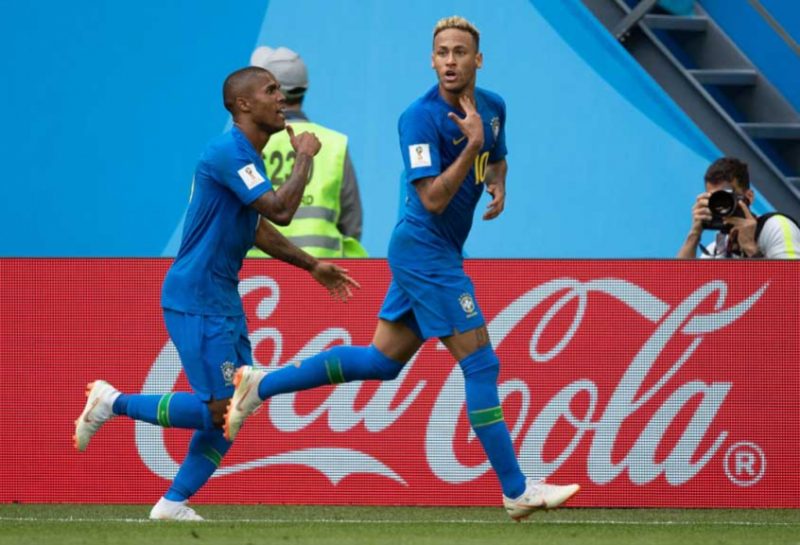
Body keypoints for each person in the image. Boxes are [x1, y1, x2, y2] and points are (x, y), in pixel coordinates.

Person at [224, 16, 580, 522]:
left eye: (460, 52)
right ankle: (516, 490)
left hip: (440, 252)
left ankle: (261, 385)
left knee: (380, 362)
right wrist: (471, 146)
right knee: (481, 365)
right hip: (423, 251)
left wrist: (498, 180)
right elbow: (432, 199)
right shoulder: (419, 118)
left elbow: (497, 155)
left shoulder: (493, 107)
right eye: (442, 52)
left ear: (478, 60)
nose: (450, 60)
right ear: (431, 61)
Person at [73, 66, 359, 521]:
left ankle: (172, 504)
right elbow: (281, 211)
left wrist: (311, 265)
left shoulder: (248, 157)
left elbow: (257, 227)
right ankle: (111, 402)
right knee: (225, 407)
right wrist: (304, 156)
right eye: (269, 90)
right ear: (243, 104)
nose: (280, 97)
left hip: (221, 297)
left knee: (234, 410)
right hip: (195, 295)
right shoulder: (227, 151)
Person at [246, 45, 367, 258]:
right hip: (320, 269)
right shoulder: (334, 144)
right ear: (304, 88)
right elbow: (351, 224)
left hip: (260, 272)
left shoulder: (249, 144)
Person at [677, 157, 800, 258]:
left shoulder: (775, 227)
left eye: (727, 197)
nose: (722, 205)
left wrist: (750, 247)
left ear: (749, 196)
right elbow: (677, 279)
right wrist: (694, 234)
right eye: (716, 198)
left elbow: (792, 280)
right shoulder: (721, 245)